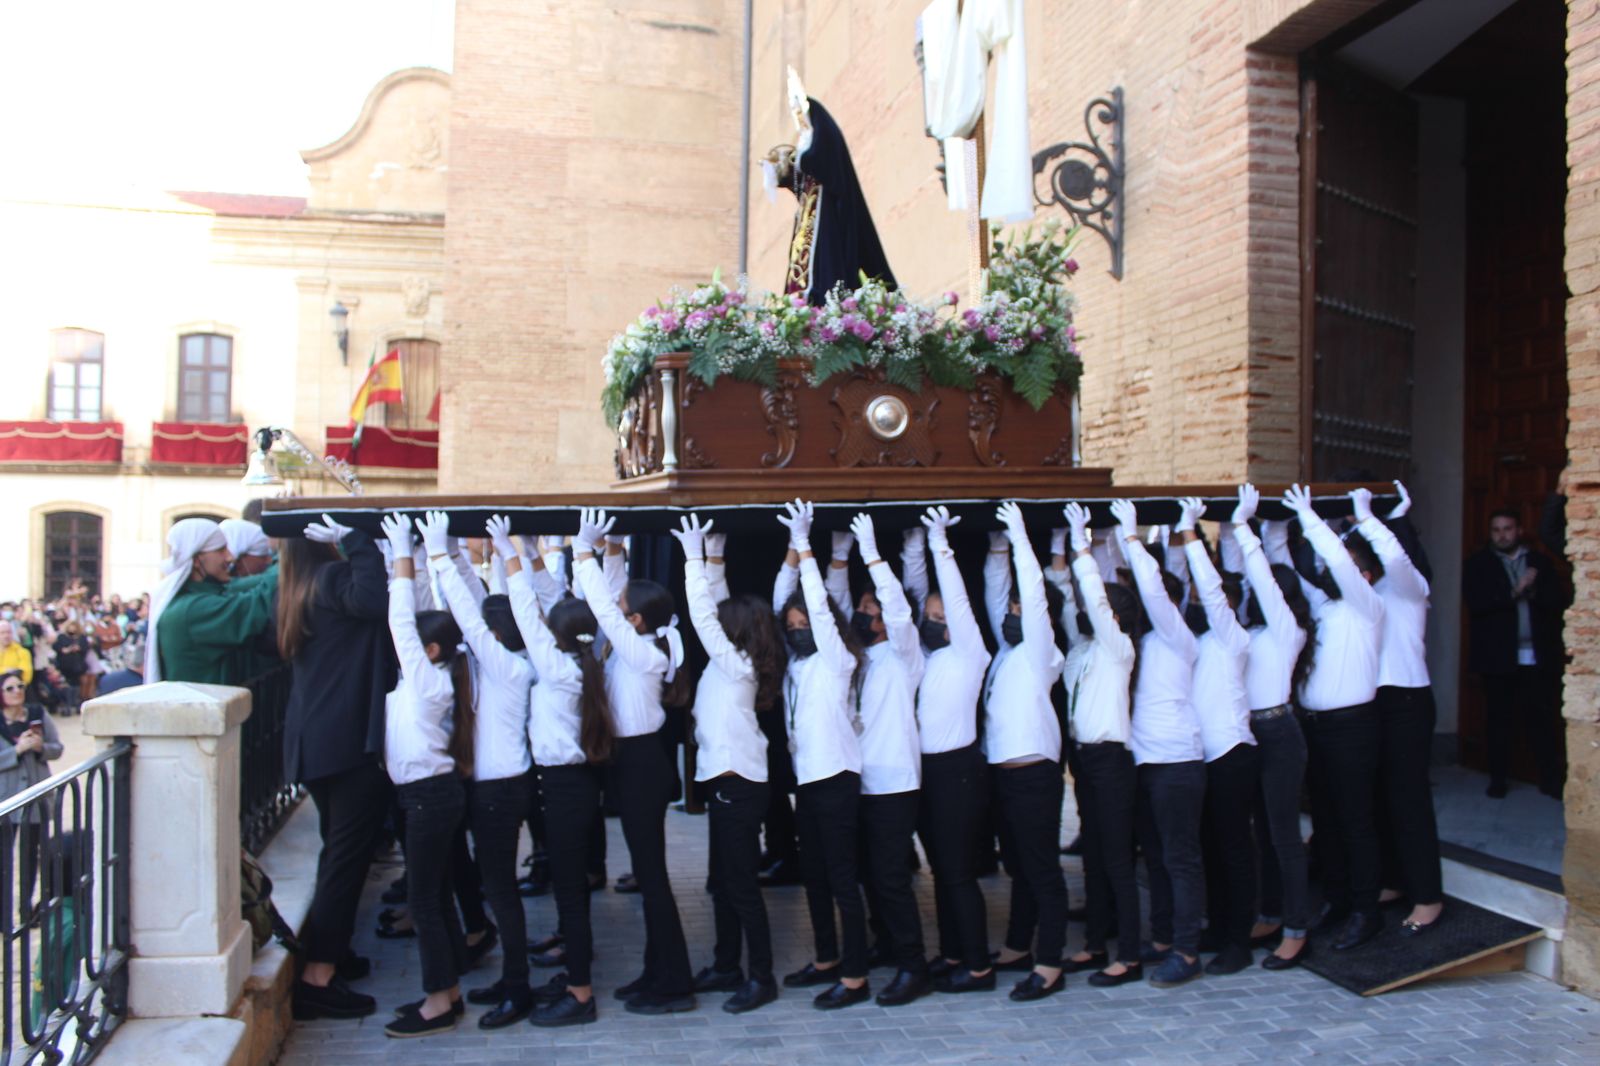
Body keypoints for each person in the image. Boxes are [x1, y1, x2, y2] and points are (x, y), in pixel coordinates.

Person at [571, 508, 697, 1015]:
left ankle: (674, 985)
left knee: (653, 877)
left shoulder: (645, 654)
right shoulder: (638, 644)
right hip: (632, 763)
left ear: (637, 620)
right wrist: (613, 550)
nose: (618, 612)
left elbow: (605, 611)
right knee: (649, 876)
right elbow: (614, 602)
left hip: (643, 766)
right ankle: (656, 971)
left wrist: (583, 552)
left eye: (626, 610)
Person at [495, 517, 614, 1027]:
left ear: (556, 637)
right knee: (572, 891)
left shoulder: (558, 666)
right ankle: (573, 977)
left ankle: (581, 995)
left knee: (569, 891)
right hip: (577, 786)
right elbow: (553, 605)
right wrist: (527, 553)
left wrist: (510, 553)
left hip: (565, 788)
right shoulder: (592, 656)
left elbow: (526, 609)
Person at [280, 515, 396, 1022]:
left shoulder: (297, 588)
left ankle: (335, 953)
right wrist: (355, 536)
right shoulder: (330, 580)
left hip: (318, 742)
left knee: (338, 853)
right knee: (346, 860)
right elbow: (374, 598)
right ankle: (318, 976)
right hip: (345, 744)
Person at [670, 514, 786, 1014]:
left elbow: (703, 616)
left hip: (738, 787)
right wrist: (714, 557)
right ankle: (725, 966)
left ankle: (760, 977)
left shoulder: (735, 665)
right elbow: (714, 609)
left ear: (735, 632)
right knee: (722, 882)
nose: (719, 625)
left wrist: (693, 558)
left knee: (740, 886)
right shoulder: (736, 660)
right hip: (726, 783)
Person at [426, 512, 536, 1029]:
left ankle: (519, 989)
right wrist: (462, 563)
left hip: (500, 790)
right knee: (497, 887)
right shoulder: (504, 659)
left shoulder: (507, 665)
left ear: (497, 633)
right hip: (493, 786)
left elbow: (469, 617)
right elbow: (475, 608)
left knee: (501, 891)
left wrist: (438, 556)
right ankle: (513, 979)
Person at [773, 499, 873, 1009]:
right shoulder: (795, 665)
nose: (795, 629)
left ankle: (856, 977)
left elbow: (812, 604)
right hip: (808, 781)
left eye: (803, 623)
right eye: (790, 625)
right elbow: (780, 602)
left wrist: (808, 549)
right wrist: (792, 553)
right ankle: (827, 959)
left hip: (836, 779)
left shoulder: (836, 660)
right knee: (813, 877)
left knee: (841, 880)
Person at [378, 513, 474, 1039]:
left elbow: (400, 623)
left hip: (428, 798)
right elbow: (411, 617)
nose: (407, 648)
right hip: (428, 796)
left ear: (429, 651)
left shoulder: (429, 682)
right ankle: (450, 991)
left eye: (417, 644)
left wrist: (402, 556)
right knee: (433, 895)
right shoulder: (429, 677)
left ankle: (439, 999)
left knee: (425, 901)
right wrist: (394, 557)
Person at [1283, 484, 1387, 952]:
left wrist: (1312, 520)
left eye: (1345, 567)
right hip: (1317, 727)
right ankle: (1339, 899)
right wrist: (1269, 530)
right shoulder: (1325, 606)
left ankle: (1367, 911)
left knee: (1355, 821)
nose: (1330, 571)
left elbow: (1341, 565)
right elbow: (1291, 568)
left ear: (1365, 575)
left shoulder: (1369, 607)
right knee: (1325, 819)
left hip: (1353, 727)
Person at [1110, 497, 1207, 989]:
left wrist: (1132, 536)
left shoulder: (1176, 636)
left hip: (1177, 763)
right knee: (1157, 856)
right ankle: (1166, 937)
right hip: (1147, 764)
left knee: (1180, 858)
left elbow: (1150, 588)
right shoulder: (1142, 643)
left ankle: (1188, 951)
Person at [981, 502, 1068, 1002]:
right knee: (1018, 866)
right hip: (1004, 777)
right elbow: (1001, 596)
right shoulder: (1007, 654)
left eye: (1020, 613)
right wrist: (996, 548)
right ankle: (1017, 945)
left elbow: (1033, 599)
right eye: (1011, 613)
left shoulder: (1042, 654)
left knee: (1043, 870)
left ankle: (1050, 962)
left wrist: (1019, 538)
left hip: (1034, 777)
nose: (1013, 616)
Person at [841, 513, 928, 1006]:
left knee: (893, 878)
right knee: (870, 874)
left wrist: (873, 555)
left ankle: (914, 966)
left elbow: (898, 608)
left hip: (895, 781)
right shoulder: (859, 657)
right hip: (861, 779)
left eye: (869, 606)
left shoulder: (904, 654)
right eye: (861, 604)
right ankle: (887, 943)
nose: (863, 611)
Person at [1056, 503, 1144, 987]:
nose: (1087, 614)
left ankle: (1128, 955)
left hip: (1111, 762)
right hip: (1085, 761)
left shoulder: (1119, 649)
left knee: (1116, 859)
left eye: (1098, 610)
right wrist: (1065, 559)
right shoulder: (1085, 648)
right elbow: (1074, 599)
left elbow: (1089, 592)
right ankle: (1094, 944)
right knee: (1093, 856)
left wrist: (1084, 547)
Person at [1229, 486, 1315, 970]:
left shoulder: (1289, 631)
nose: (1253, 596)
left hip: (1279, 733)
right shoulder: (1257, 630)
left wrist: (1247, 528)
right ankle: (1271, 910)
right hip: (1251, 733)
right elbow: (1246, 584)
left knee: (1283, 835)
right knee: (1261, 833)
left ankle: (1297, 928)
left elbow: (1258, 578)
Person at [1352, 484, 1445, 936]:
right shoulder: (1363, 590)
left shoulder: (1410, 587)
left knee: (1409, 800)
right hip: (1375, 700)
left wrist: (1376, 517)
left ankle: (1427, 895)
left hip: (1407, 699)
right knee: (1379, 797)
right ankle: (1392, 879)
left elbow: (1396, 558)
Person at [1174, 498, 1260, 977]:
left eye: (1204, 596)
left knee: (1233, 849)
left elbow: (1208, 590)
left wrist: (1192, 536)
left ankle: (1239, 940)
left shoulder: (1232, 637)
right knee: (1208, 847)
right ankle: (1218, 925)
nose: (1196, 600)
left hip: (1230, 753)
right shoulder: (1196, 639)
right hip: (1196, 756)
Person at [911, 506, 995, 992]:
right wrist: (916, 550)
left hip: (957, 772)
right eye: (931, 616)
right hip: (926, 772)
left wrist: (941, 543)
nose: (935, 621)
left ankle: (979, 965)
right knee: (942, 869)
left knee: (959, 872)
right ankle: (951, 952)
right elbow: (918, 589)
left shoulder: (970, 653)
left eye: (942, 618)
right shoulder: (927, 656)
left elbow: (957, 601)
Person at [1463, 507, 1567, 799]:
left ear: (1519, 530)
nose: (1502, 535)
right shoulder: (1478, 564)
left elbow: (1558, 602)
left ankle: (1549, 779)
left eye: (1507, 529)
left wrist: (1531, 591)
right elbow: (1478, 603)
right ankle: (1497, 779)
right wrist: (1515, 591)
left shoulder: (1539, 563)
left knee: (1542, 720)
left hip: (1536, 656)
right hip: (1498, 658)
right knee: (1498, 721)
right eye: (1496, 530)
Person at [145, 518, 278, 685]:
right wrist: (289, 552)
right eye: (221, 550)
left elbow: (244, 587)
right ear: (196, 559)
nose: (230, 557)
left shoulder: (198, 598)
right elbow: (257, 603)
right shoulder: (194, 610)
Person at [1, 668, 63, 924]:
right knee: (4, 860)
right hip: (6, 799)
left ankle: (27, 910)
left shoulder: (38, 714)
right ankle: (3, 914)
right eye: (10, 688)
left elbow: (57, 748)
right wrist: (15, 751)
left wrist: (40, 747)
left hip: (36, 799)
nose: (17, 692)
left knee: (30, 857)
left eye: (20, 687)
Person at [0, 620, 33, 686]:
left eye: (8, 632)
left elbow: (26, 677)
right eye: (2, 633)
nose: (6, 636)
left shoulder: (23, 652)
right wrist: (8, 670)